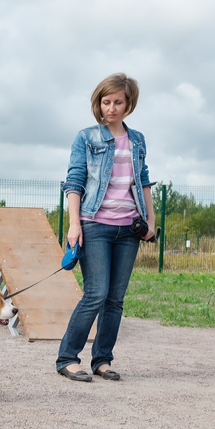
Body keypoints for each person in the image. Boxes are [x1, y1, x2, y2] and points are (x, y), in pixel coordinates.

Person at [56, 73, 156, 382]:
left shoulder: (137, 139)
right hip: (95, 224)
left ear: (129, 105)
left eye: (117, 102)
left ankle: (102, 360)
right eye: (105, 101)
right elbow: (74, 182)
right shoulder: (86, 138)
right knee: (95, 293)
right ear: (98, 103)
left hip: (129, 230)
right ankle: (67, 358)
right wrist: (75, 225)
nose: (110, 108)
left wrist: (150, 222)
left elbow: (143, 182)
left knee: (115, 299)